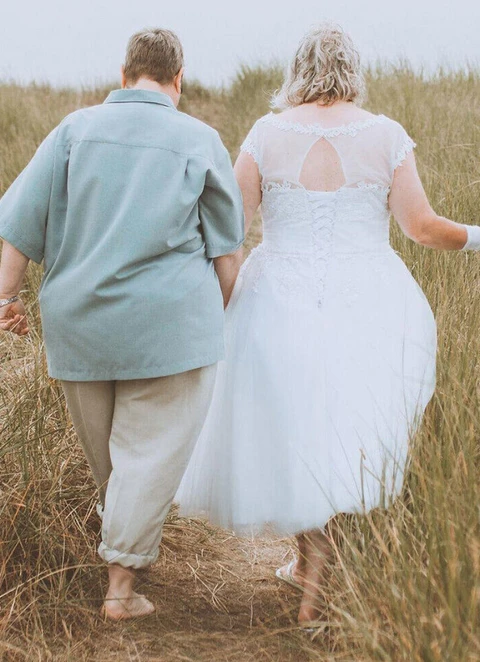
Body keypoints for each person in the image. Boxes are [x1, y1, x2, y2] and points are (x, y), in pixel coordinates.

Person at [176, 23, 480, 627]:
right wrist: (477, 237)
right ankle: (317, 570)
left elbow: (229, 225)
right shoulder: (385, 135)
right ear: (352, 70)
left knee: (296, 424)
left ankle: (309, 562)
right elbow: (420, 227)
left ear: (298, 70)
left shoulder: (268, 133)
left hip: (278, 295)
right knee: (346, 430)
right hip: (370, 297)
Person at [0, 28, 244, 620]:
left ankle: (128, 549)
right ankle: (121, 589)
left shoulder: (71, 131)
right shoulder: (200, 139)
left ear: (124, 72)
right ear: (178, 79)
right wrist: (221, 318)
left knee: (112, 458)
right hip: (169, 327)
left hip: (78, 325)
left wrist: (5, 298)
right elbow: (227, 255)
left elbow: (18, 225)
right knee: (147, 452)